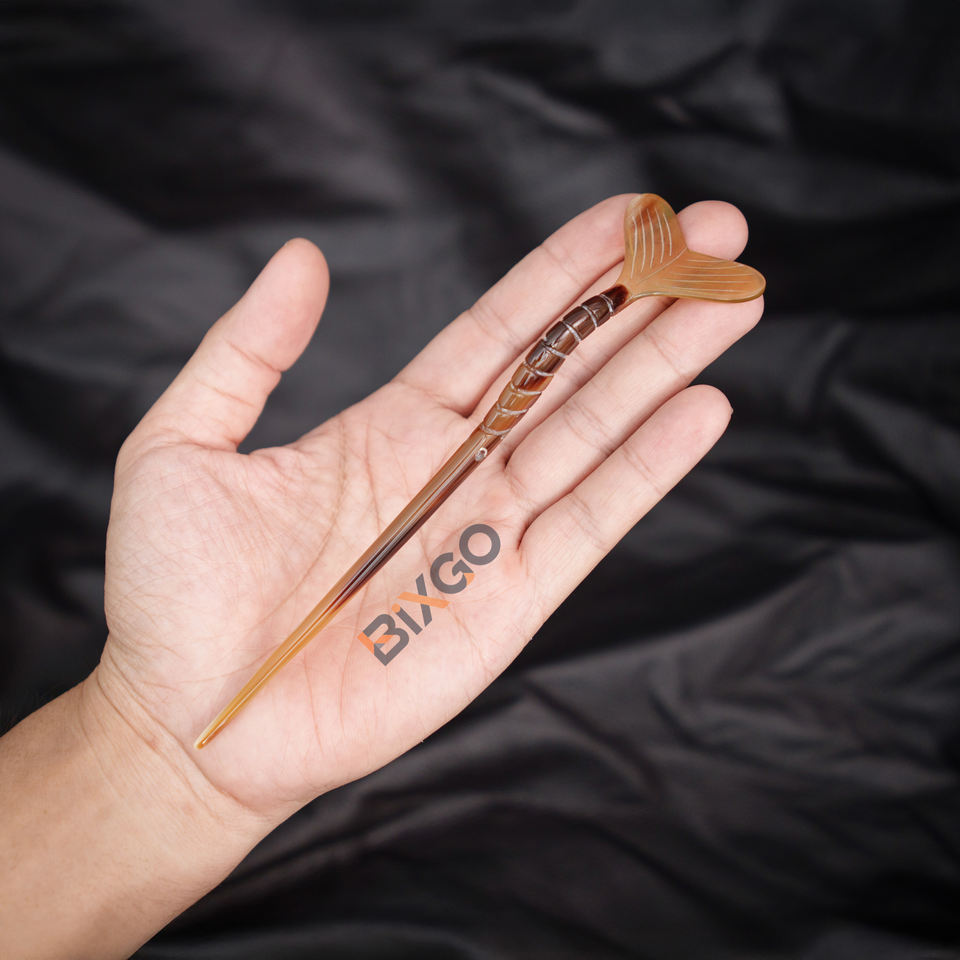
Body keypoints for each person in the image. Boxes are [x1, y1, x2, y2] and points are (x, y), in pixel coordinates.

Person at [0, 194, 763, 959]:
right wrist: (147, 748)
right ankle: (637, 283)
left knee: (528, 408)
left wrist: (147, 759)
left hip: (606, 308)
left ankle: (637, 284)